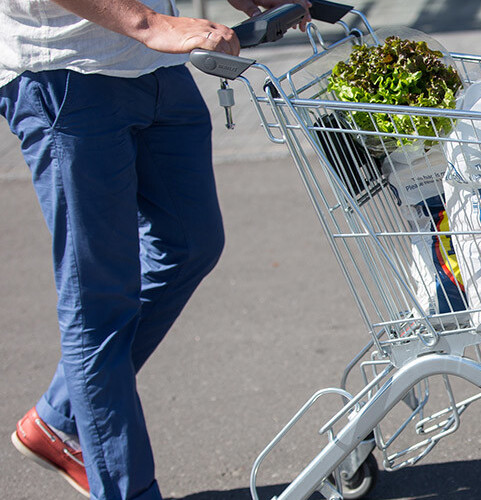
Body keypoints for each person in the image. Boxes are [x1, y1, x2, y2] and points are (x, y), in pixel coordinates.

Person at [1, 0, 309, 498]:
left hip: (159, 66)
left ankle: (59, 419)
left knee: (191, 242)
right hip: (66, 71)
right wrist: (149, 23)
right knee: (99, 302)